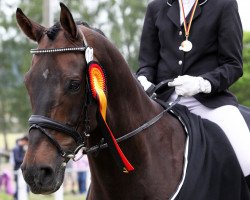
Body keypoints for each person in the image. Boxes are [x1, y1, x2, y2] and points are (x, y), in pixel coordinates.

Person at [137, 0, 250, 186]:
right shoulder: (156, 7)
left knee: (246, 157)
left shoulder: (224, 4)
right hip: (163, 102)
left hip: (209, 101)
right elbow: (147, 64)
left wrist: (202, 83)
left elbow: (233, 65)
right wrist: (143, 80)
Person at [12, 135, 28, 200]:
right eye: (26, 142)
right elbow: (17, 159)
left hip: (21, 170)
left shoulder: (22, 148)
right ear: (23, 141)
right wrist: (26, 159)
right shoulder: (15, 148)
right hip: (17, 170)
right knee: (18, 186)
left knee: (23, 186)